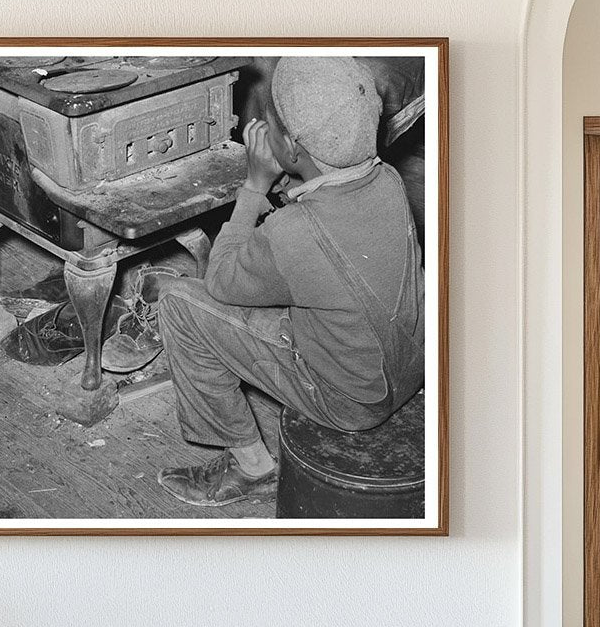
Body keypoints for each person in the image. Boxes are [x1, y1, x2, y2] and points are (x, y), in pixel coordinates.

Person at [155, 56, 425, 508]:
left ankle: (251, 467)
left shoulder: (292, 234)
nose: (264, 127)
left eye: (273, 125)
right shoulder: (390, 181)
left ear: (295, 151)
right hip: (404, 369)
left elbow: (220, 280)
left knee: (180, 304)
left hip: (348, 402)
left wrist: (254, 187)